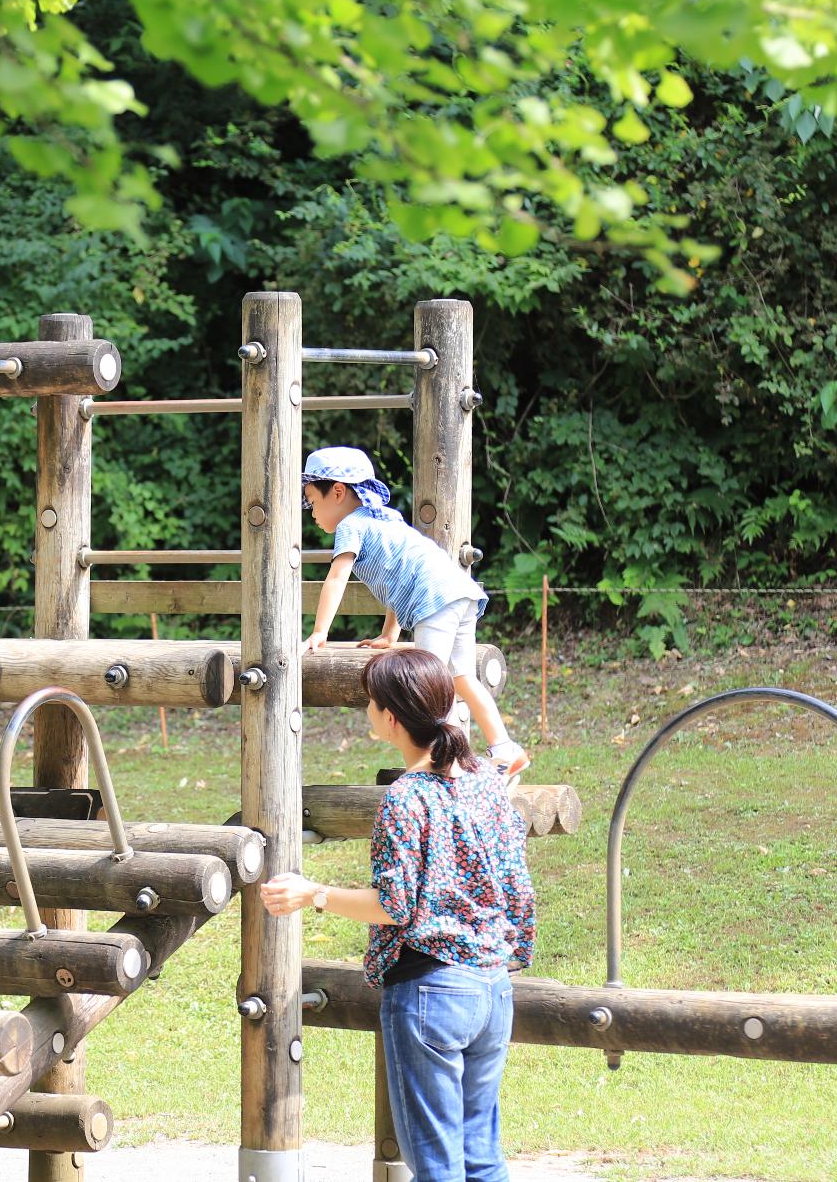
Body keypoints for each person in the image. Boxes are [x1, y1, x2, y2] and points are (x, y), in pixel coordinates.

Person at [262, 647, 535, 1182]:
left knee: (435, 1166)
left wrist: (312, 893)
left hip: (432, 992)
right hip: (492, 988)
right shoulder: (486, 782)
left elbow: (393, 904)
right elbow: (516, 883)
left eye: (370, 701)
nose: (367, 710)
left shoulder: (405, 798)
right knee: (482, 1156)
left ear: (391, 717)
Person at [300, 445, 528, 779]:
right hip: (457, 591)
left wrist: (320, 632)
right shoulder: (382, 520)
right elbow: (399, 578)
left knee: (426, 687)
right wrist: (389, 634)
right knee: (460, 677)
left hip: (433, 600)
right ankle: (504, 749)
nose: (312, 513)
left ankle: (444, 765)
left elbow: (336, 578)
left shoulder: (352, 525)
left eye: (313, 502)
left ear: (337, 492)